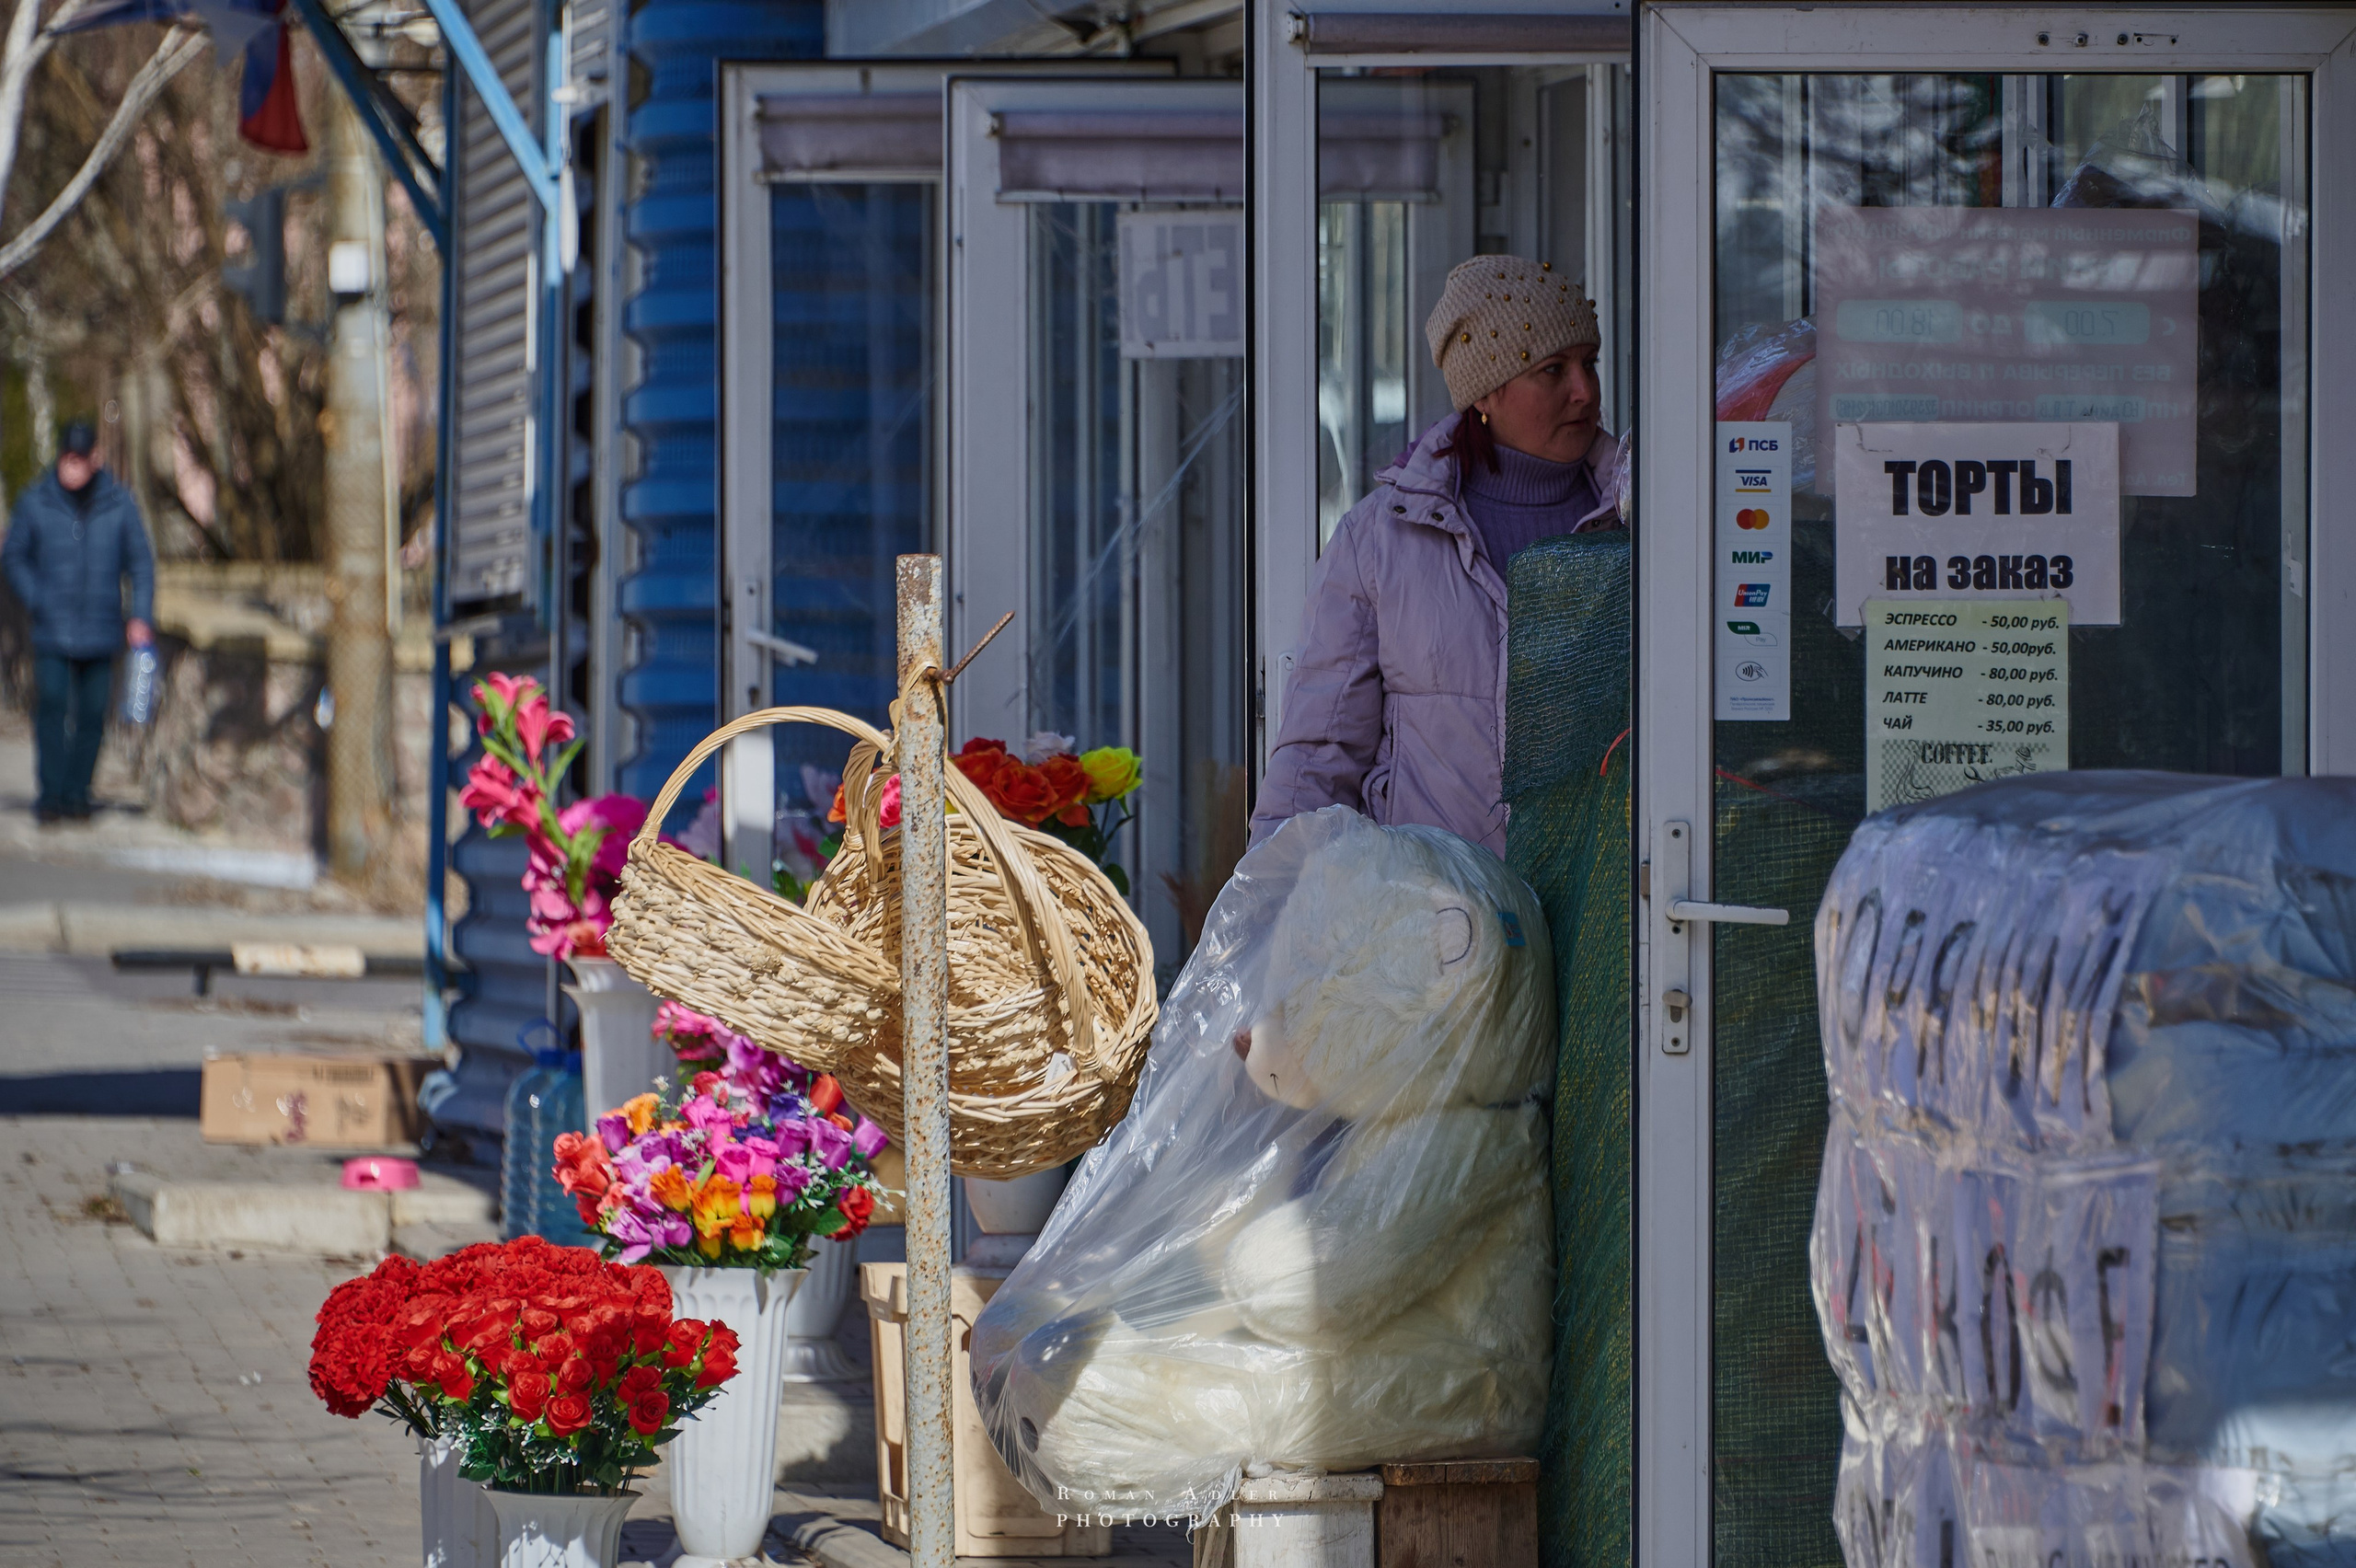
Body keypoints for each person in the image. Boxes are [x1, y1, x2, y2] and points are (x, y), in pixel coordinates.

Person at [1252, 255, 1622, 858]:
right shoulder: (1381, 539)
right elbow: (1320, 755)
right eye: (1552, 370)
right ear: (1486, 395)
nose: (1584, 391)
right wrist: (1272, 910)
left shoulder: (1638, 523)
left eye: (1589, 363)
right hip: (1445, 930)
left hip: (1611, 927)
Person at [3, 421, 156, 824]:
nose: (73, 469)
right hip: (51, 627)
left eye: (80, 460)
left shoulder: (118, 504)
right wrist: (36, 597)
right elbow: (14, 556)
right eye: (67, 459)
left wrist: (141, 613)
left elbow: (140, 562)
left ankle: (77, 793)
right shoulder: (36, 501)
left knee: (91, 714)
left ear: (94, 459)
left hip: (102, 627)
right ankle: (52, 794)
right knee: (52, 706)